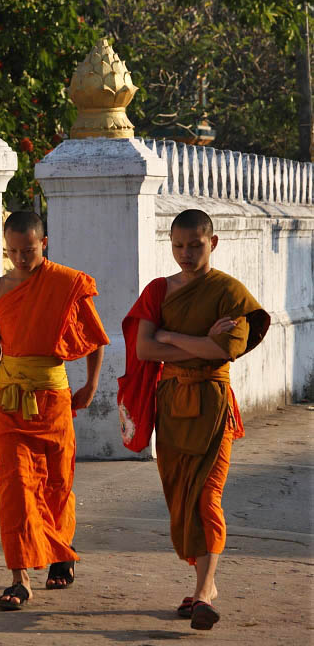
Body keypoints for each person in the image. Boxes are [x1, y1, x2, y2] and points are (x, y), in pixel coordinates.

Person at [126, 208, 269, 631]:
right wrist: (195, 340)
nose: (185, 254)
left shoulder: (229, 293)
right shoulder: (158, 290)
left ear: (213, 243)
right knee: (179, 499)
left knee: (207, 497)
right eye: (178, 246)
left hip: (213, 405)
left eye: (194, 245)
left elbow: (226, 350)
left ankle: (205, 591)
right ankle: (202, 581)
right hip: (171, 405)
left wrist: (170, 336)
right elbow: (143, 350)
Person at [0, 211, 109, 610]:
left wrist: (92, 384)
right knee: (15, 488)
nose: (21, 258)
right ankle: (19, 578)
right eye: (12, 251)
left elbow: (94, 338)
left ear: (43, 244)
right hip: (8, 400)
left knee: (57, 486)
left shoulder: (64, 283)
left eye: (28, 250)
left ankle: (59, 550)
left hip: (53, 398)